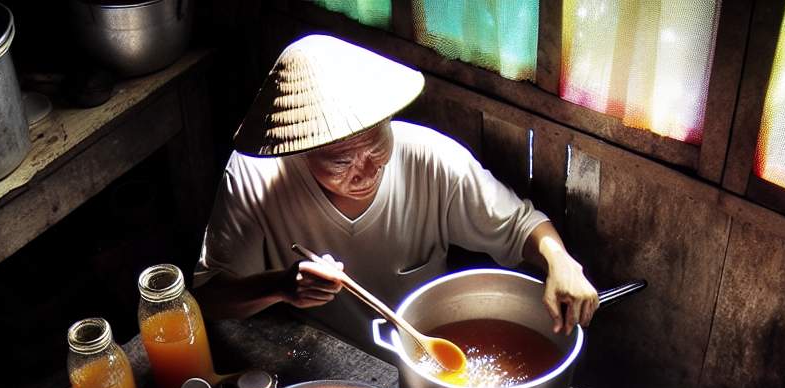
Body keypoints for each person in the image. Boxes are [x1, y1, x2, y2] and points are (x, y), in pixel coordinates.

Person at [193, 34, 600, 346]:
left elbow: (520, 225)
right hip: (319, 351)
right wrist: (280, 286)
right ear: (298, 152)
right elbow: (209, 298)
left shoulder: (430, 157)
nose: (366, 169)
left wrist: (559, 261)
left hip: (422, 350)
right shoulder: (256, 177)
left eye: (376, 146)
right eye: (340, 161)